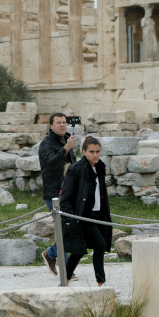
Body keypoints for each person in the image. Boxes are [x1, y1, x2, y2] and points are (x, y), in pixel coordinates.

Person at [60, 136, 112, 286]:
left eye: (97, 151)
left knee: (79, 250)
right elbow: (66, 197)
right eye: (91, 152)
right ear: (83, 152)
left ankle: (65, 280)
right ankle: (101, 283)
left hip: (99, 214)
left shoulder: (100, 167)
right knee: (100, 245)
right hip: (83, 215)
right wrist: (70, 219)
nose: (95, 155)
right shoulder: (75, 169)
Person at [38, 113, 77, 276]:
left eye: (64, 122)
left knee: (72, 228)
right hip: (54, 193)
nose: (62, 125)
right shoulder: (46, 144)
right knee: (65, 230)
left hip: (69, 191)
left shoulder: (66, 140)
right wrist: (66, 148)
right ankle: (66, 269)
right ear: (51, 126)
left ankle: (51, 254)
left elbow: (72, 164)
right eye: (58, 123)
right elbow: (52, 164)